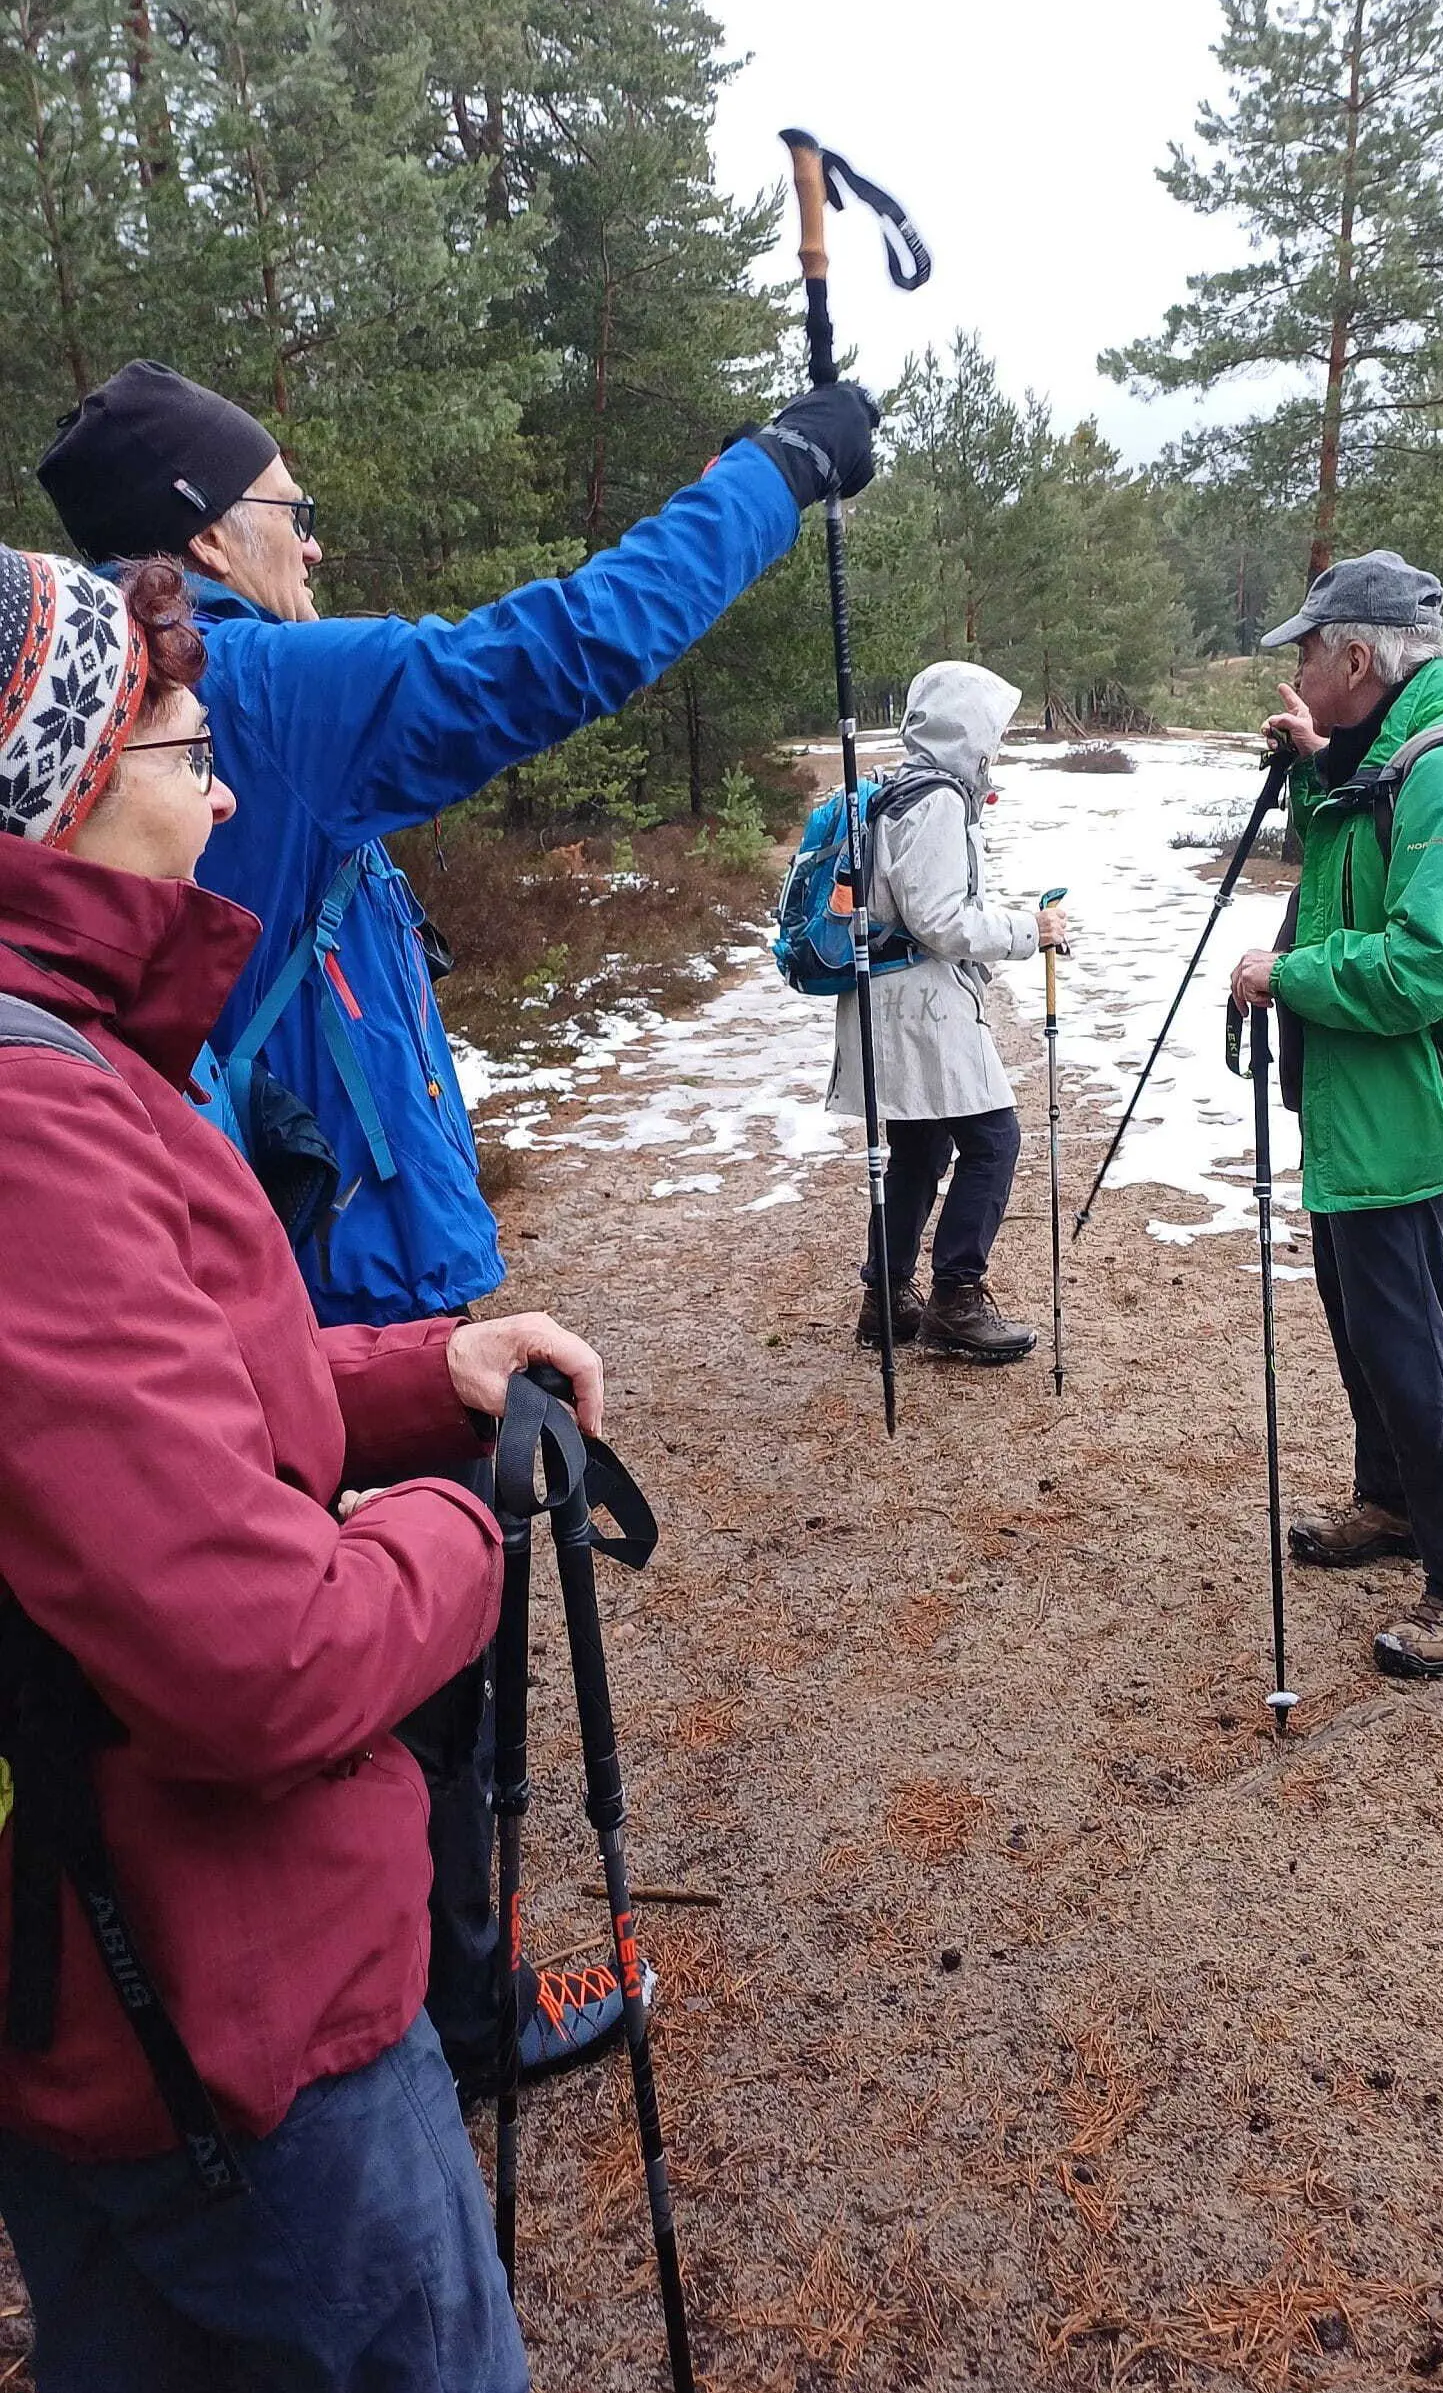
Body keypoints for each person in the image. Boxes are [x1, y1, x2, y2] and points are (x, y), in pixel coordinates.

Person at [37, 358, 877, 2097]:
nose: (318, 544)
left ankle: (370, 2011)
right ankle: (441, 2027)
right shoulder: (251, 683)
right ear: (199, 535)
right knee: (403, 1672)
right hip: (339, 1278)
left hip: (267, 1251)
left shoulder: (99, 713)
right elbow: (563, 646)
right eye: (288, 510)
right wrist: (775, 474)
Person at [0, 544, 608, 2393]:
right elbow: (255, 1654)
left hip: (80, 1981)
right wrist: (455, 1525)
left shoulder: (74, 1056)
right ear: (63, 788)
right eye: (185, 746)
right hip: (216, 2002)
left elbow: (128, 1414)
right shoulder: (35, 1122)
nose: (229, 789)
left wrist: (423, 1376)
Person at [1229, 551, 1443, 1680]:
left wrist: (1289, 977)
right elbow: (1355, 860)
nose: (1299, 667)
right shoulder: (1394, 754)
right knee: (1365, 1321)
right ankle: (1393, 1502)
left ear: (1358, 657)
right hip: (1364, 1103)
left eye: (1309, 650)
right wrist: (1319, 770)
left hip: (1405, 1108)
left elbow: (1433, 962)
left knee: (1407, 1345)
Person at [830, 660, 1067, 1363]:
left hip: (898, 1001)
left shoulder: (900, 790)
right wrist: (1030, 931)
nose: (996, 740)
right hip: (923, 1007)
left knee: (921, 1149)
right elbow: (938, 919)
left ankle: (887, 1294)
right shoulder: (933, 801)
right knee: (994, 1140)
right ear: (966, 725)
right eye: (991, 725)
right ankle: (955, 1300)